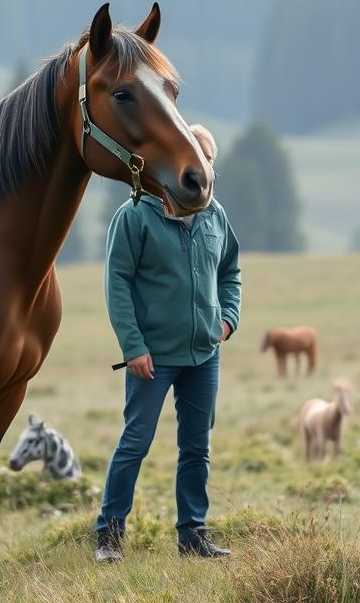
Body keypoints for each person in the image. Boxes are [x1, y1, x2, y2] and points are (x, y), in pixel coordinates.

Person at [94, 124, 240, 562]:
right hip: (152, 358)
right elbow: (116, 282)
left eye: (210, 159)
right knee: (135, 442)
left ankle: (192, 535)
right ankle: (109, 535)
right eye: (197, 157)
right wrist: (132, 346)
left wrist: (228, 320)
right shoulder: (135, 215)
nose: (204, 166)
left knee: (198, 447)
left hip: (204, 355)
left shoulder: (216, 216)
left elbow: (230, 272)